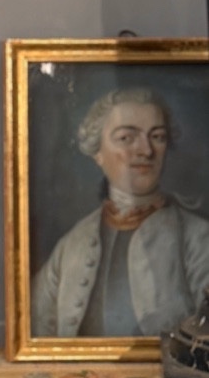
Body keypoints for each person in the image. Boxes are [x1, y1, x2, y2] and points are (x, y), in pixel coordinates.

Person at [32, 88, 209, 338]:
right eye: (127, 138)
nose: (146, 151)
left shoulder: (198, 239)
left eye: (157, 137)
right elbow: (36, 334)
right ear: (97, 152)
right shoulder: (72, 245)